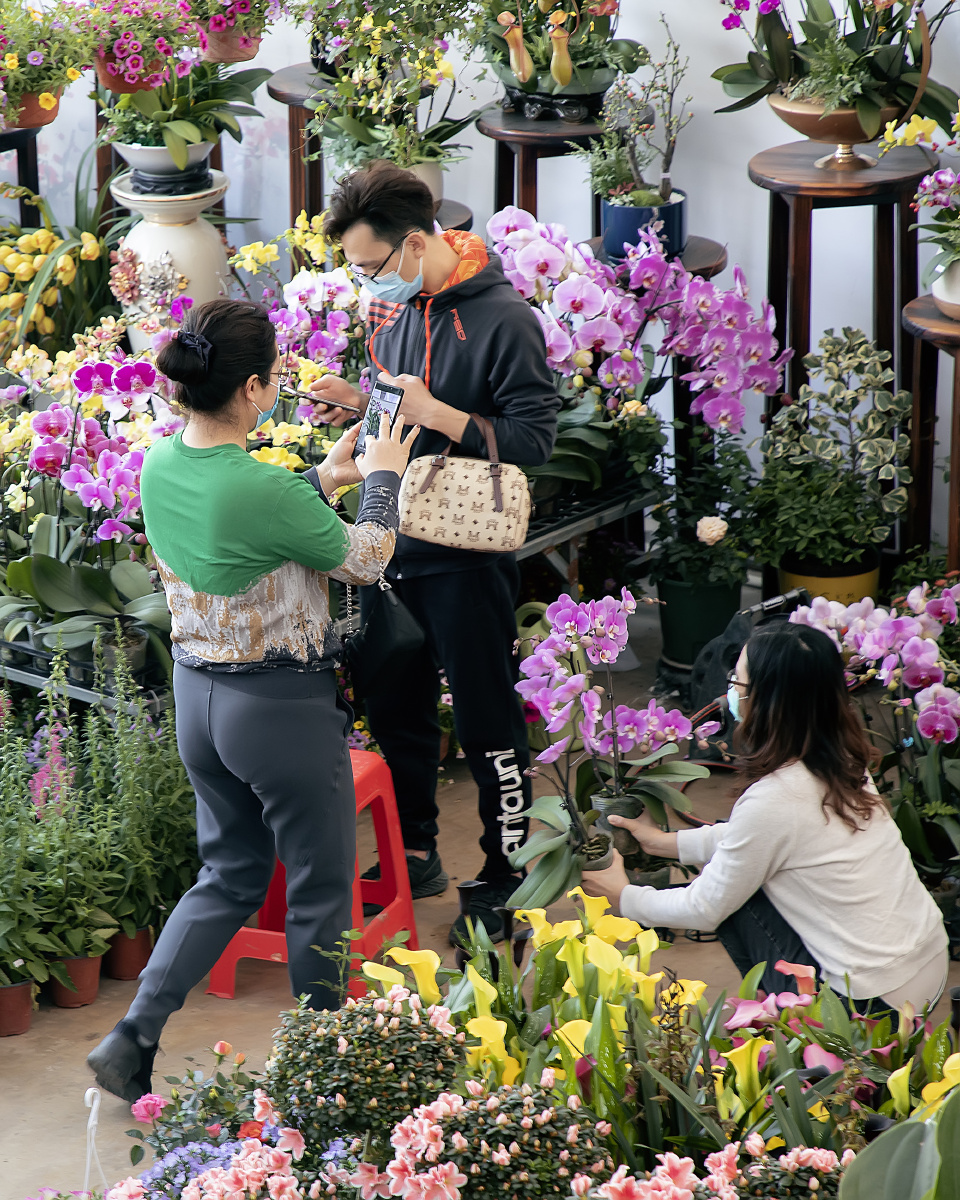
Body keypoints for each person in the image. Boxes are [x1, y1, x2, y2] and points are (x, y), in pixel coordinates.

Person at [87, 298, 416, 1102]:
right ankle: (319, 1078)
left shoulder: (160, 463)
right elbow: (366, 559)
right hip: (279, 711)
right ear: (258, 389)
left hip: (199, 698)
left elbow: (237, 523)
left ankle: (133, 1034)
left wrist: (320, 479)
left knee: (228, 874)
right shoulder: (267, 491)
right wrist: (381, 479)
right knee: (319, 892)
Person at [309, 161, 561, 945]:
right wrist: (360, 403)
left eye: (368, 267)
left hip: (465, 557)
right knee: (397, 708)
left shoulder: (505, 318)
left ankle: (509, 871)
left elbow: (532, 442)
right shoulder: (393, 306)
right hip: (390, 545)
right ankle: (412, 849)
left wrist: (438, 412)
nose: (362, 284)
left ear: (414, 243)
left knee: (488, 720)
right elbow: (395, 399)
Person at [582, 622, 949, 1014]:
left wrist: (625, 897)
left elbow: (707, 907)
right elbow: (766, 840)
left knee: (734, 895)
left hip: (872, 1007)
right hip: (926, 969)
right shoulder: (842, 756)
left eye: (738, 683)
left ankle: (805, 1038)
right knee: (740, 874)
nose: (730, 694)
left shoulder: (775, 797)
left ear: (770, 702)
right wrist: (668, 844)